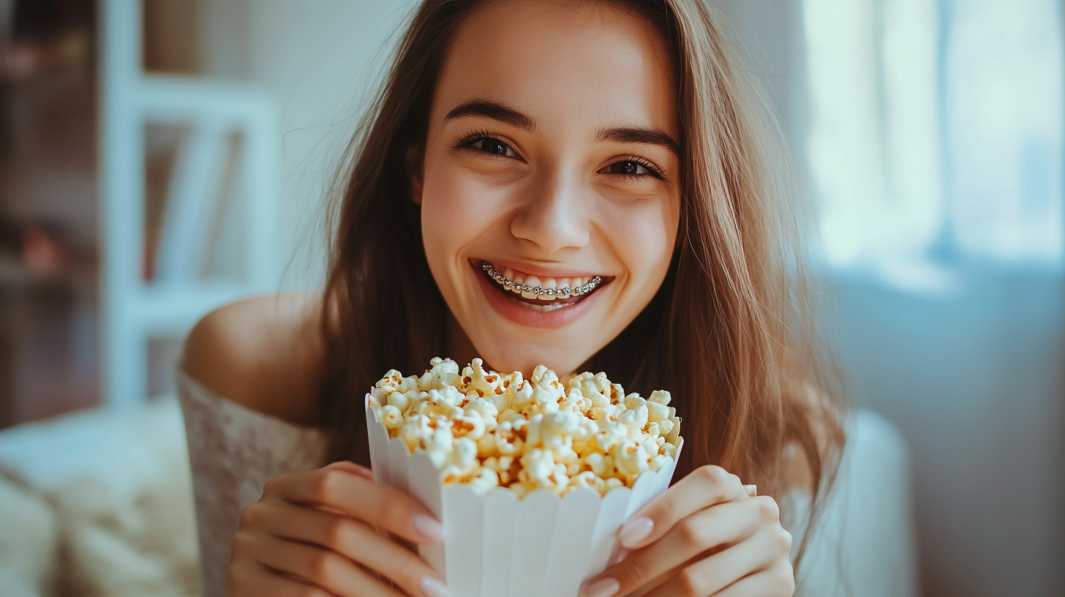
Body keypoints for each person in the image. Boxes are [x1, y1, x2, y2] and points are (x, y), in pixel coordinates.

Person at [178, 1, 846, 596]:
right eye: (492, 145)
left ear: (695, 203)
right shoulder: (253, 370)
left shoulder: (776, 435)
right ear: (416, 164)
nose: (551, 229)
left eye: (629, 166)